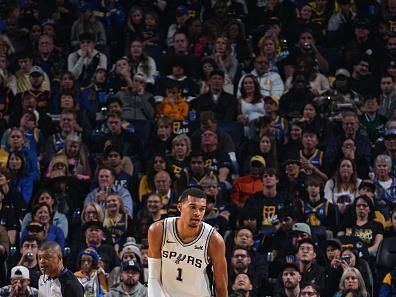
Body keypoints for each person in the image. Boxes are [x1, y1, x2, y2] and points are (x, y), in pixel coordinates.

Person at [147, 187, 228, 297]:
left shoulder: (214, 240)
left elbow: (221, 286)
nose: (197, 213)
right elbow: (153, 277)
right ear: (180, 207)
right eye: (192, 207)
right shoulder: (159, 230)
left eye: (202, 209)